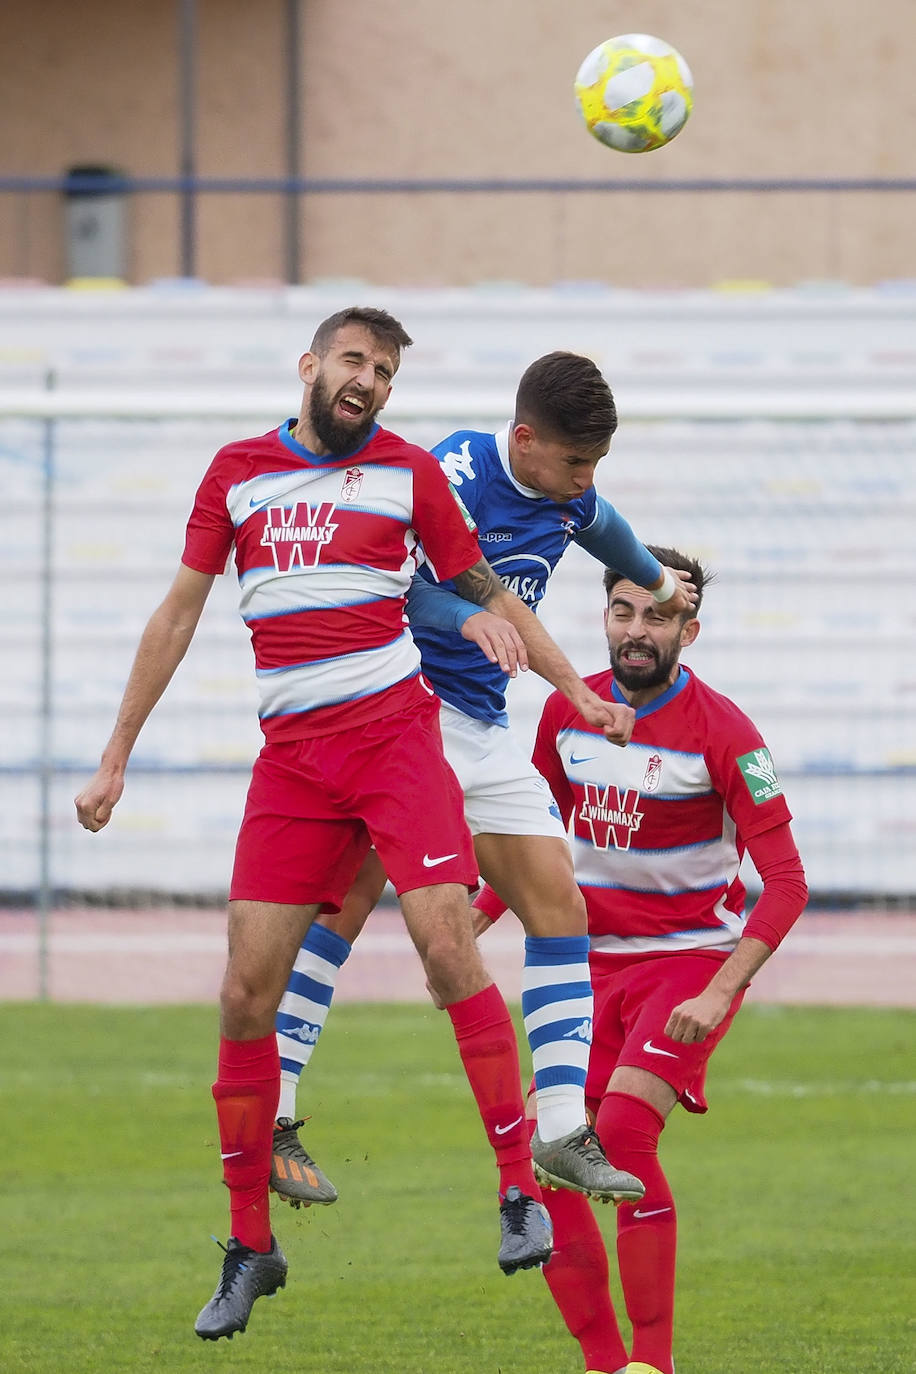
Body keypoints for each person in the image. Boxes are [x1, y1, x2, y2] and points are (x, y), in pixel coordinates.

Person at [73, 310, 638, 1341]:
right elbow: (178, 614)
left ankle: (518, 1191)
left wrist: (568, 682)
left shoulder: (408, 473)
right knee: (245, 988)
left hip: (395, 739)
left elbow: (481, 587)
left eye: (382, 370)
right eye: (353, 361)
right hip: (293, 763)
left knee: (447, 941)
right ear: (310, 366)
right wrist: (115, 755)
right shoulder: (237, 472)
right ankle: (250, 1245)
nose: (367, 379)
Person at [266, 354, 696, 1232]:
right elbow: (398, 590)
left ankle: (564, 1128)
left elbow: (613, 533)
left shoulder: (570, 493)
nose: (586, 481)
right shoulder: (452, 475)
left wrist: (657, 582)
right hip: (399, 712)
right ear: (526, 441)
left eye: (595, 466)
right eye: (576, 462)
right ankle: (273, 1110)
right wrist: (487, 629)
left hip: (480, 724)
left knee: (557, 904)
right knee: (344, 903)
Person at [474, 546, 808, 1374]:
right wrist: (472, 917)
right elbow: (535, 838)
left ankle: (653, 1366)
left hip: (687, 965)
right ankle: (603, 1364)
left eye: (657, 616)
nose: (636, 629)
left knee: (620, 1134)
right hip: (584, 966)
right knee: (554, 1157)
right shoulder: (566, 712)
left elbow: (790, 883)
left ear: (689, 632)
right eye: (624, 610)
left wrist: (724, 989)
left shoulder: (727, 733)